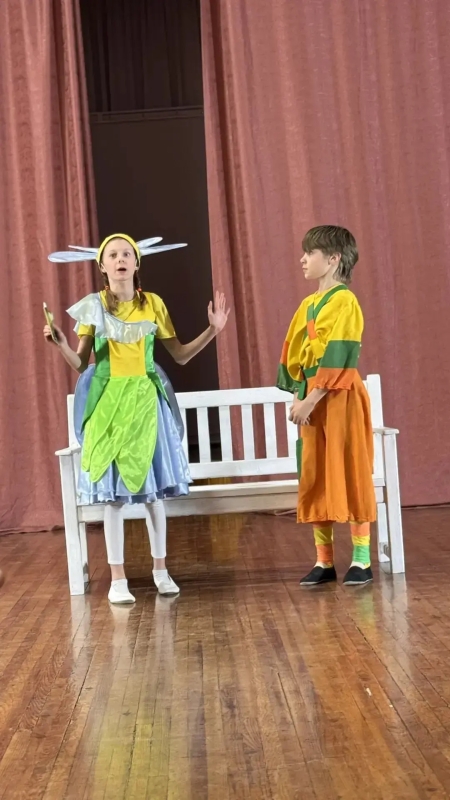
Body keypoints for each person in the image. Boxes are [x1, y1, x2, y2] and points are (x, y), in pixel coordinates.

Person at [45, 233, 229, 603]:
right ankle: (118, 579)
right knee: (113, 498)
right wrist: (62, 343)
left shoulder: (153, 304)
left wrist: (213, 330)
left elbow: (179, 355)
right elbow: (80, 363)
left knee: (153, 495)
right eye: (113, 255)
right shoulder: (94, 306)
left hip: (146, 403)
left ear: (136, 262)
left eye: (126, 254)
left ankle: (161, 570)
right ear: (102, 265)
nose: (120, 260)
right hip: (109, 405)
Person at [277, 225, 376, 586]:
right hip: (311, 398)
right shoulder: (307, 305)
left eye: (311, 253)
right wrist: (298, 396)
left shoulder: (344, 301)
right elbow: (293, 353)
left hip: (339, 396)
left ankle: (362, 559)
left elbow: (340, 352)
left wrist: (312, 398)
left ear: (333, 259)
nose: (303, 259)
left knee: (349, 468)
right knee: (315, 472)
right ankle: (324, 561)